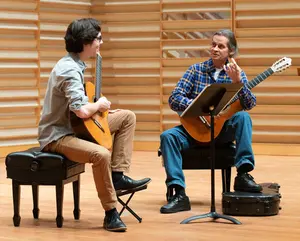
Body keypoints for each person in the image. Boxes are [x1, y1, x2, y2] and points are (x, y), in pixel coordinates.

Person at [38, 18, 151, 231]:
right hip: (57, 136)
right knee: (101, 154)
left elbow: (78, 105)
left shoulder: (75, 63)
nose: (101, 42)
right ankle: (110, 212)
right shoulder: (69, 70)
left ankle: (117, 176)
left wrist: (101, 109)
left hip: (74, 127)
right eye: (98, 38)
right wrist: (98, 104)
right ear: (86, 42)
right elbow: (80, 111)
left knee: (127, 116)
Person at [159, 29, 262, 214]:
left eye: (220, 46)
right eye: (213, 44)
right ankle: (179, 194)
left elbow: (249, 103)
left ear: (230, 51)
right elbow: (174, 99)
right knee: (168, 136)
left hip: (222, 132)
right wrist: (199, 105)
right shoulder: (195, 70)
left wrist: (238, 82)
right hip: (195, 131)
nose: (214, 49)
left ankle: (243, 174)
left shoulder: (237, 73)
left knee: (243, 117)